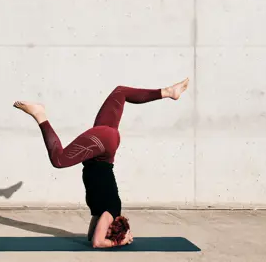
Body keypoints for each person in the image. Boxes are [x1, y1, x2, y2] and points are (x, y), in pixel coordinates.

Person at [13, 78, 190, 248]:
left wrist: (123, 235)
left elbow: (92, 237)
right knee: (59, 160)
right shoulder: (109, 213)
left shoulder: (102, 213)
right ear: (110, 229)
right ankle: (40, 115)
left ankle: (168, 92)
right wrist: (120, 241)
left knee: (120, 92)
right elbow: (98, 242)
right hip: (102, 144)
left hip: (104, 145)